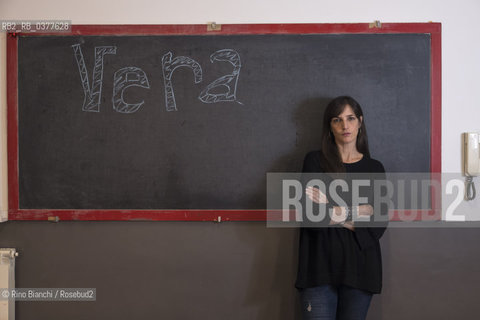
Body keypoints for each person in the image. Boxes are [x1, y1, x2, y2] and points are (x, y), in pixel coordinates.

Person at [295, 96, 388, 320]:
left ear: (360, 122)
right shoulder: (315, 162)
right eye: (337, 120)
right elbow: (311, 218)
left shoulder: (374, 168)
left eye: (350, 118)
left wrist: (331, 207)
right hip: (318, 269)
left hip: (360, 270)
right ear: (330, 126)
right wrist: (361, 210)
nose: (345, 126)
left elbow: (377, 226)